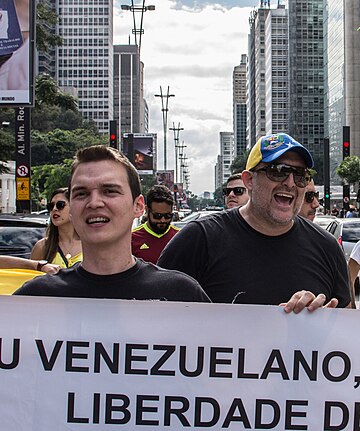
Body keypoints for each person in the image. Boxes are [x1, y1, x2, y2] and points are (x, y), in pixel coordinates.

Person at [158, 133, 351, 312]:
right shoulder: (199, 239)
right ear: (249, 180)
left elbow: (347, 328)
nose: (291, 183)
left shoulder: (327, 247)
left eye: (300, 175)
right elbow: (154, 317)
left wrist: (323, 319)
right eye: (278, 171)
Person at [14, 145, 210, 303]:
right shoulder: (35, 298)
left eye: (110, 191)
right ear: (71, 210)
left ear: (138, 206)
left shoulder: (182, 295)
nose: (94, 203)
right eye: (81, 193)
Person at [31, 188, 83, 268]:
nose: (54, 209)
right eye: (51, 206)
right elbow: (32, 277)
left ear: (74, 207)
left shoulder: (90, 244)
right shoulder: (42, 246)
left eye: (60, 205)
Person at [132, 185, 179, 264]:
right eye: (157, 216)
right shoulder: (132, 239)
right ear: (147, 210)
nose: (162, 220)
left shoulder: (180, 237)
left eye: (168, 216)